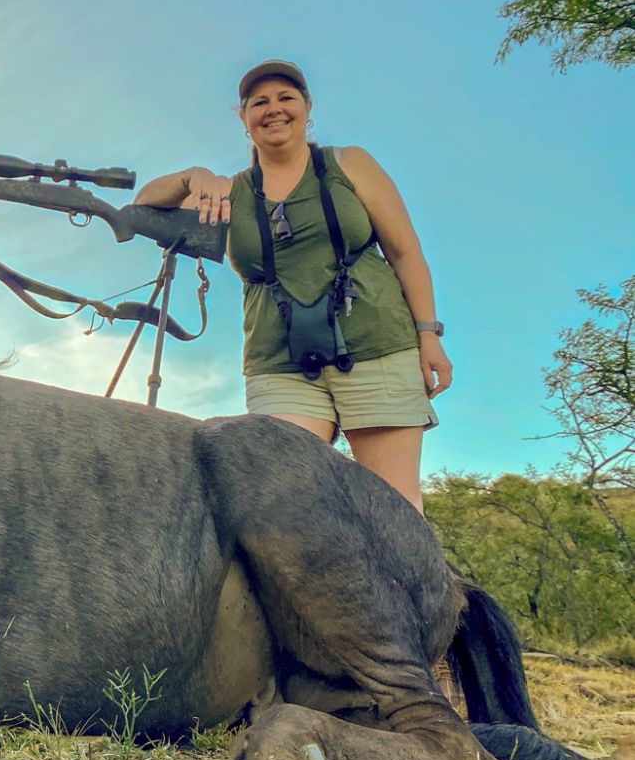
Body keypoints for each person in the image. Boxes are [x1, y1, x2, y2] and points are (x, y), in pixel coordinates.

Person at [134, 60, 451, 513]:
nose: (273, 109)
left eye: (286, 98)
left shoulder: (349, 164)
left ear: (307, 108)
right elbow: (144, 208)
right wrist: (191, 176)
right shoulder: (228, 194)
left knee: (393, 506)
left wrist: (428, 335)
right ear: (243, 119)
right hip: (280, 363)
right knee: (285, 503)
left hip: (377, 347)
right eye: (259, 102)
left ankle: (421, 588)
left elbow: (405, 252)